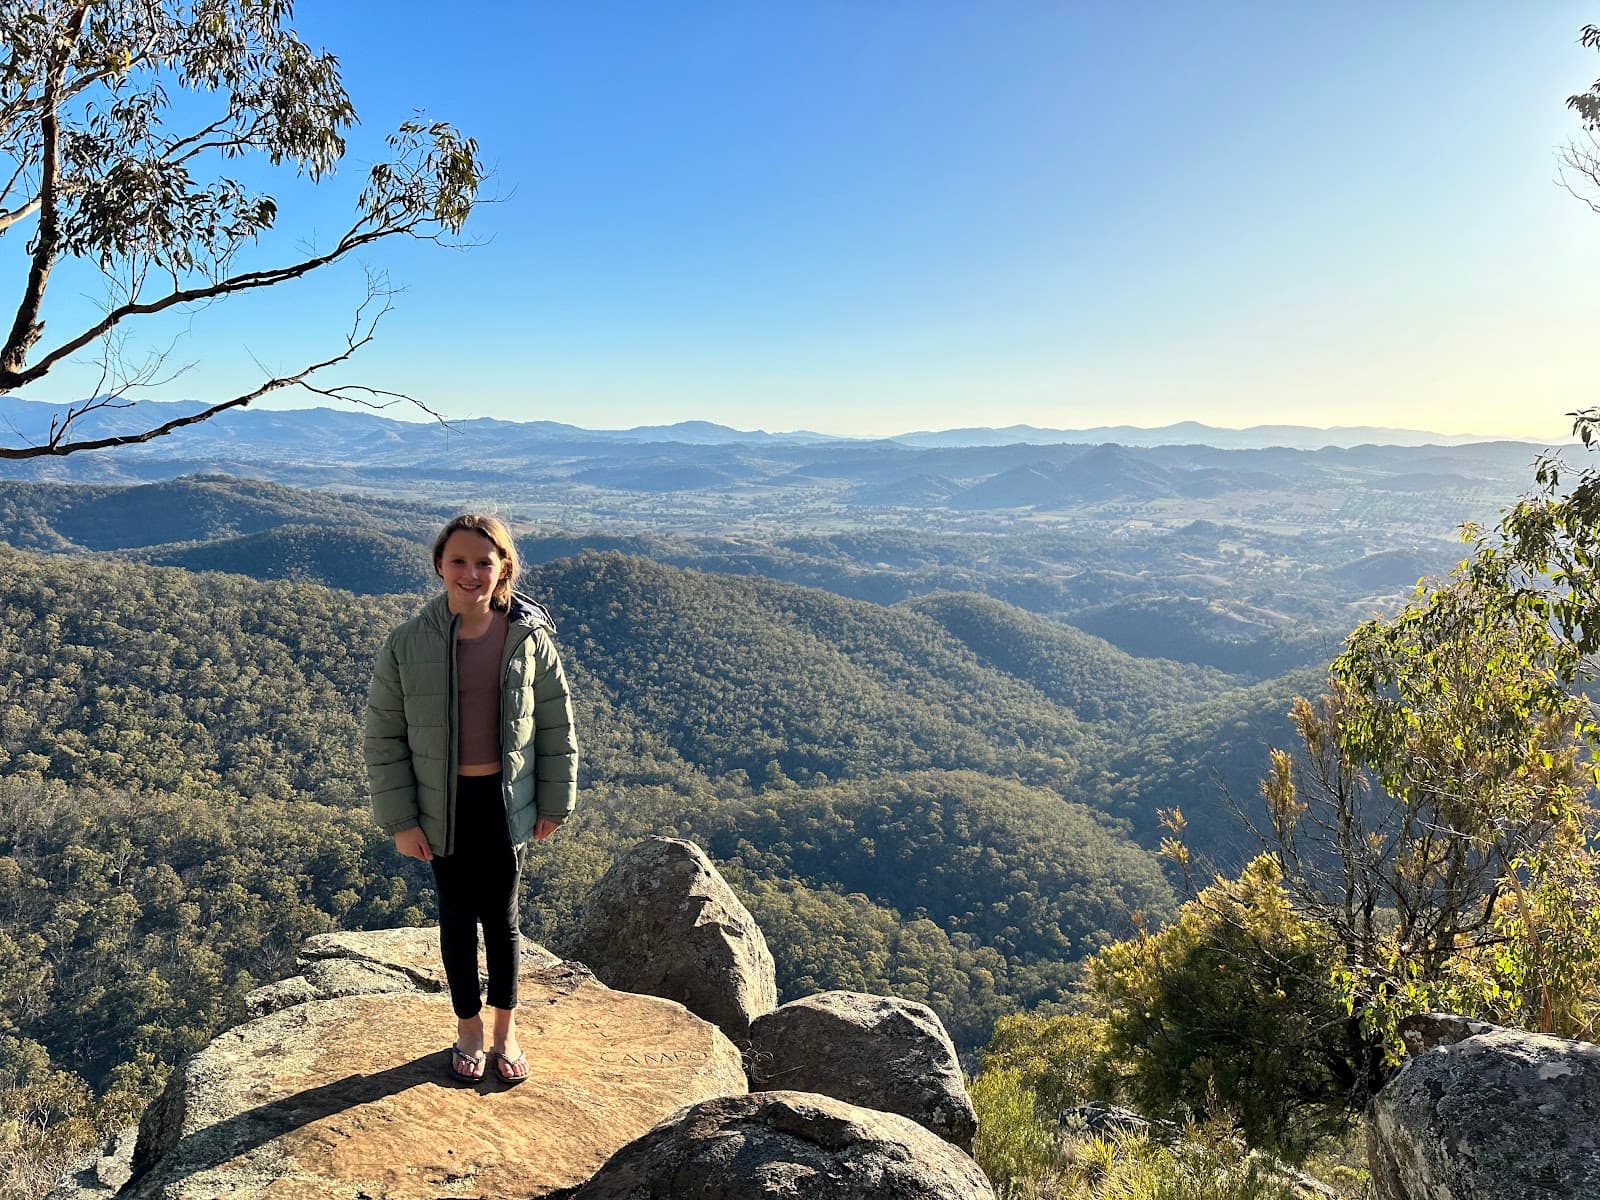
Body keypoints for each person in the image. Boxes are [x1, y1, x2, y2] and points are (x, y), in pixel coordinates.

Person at [365, 513, 578, 1084]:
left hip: (504, 801)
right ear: (439, 566)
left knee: (502, 919)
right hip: (444, 803)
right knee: (457, 918)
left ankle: (506, 1031)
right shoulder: (408, 643)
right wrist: (401, 820)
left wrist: (555, 803)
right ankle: (468, 1030)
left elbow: (556, 724)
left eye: (484, 562)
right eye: (458, 561)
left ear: (503, 567)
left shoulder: (528, 640)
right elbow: (383, 737)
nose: (470, 572)